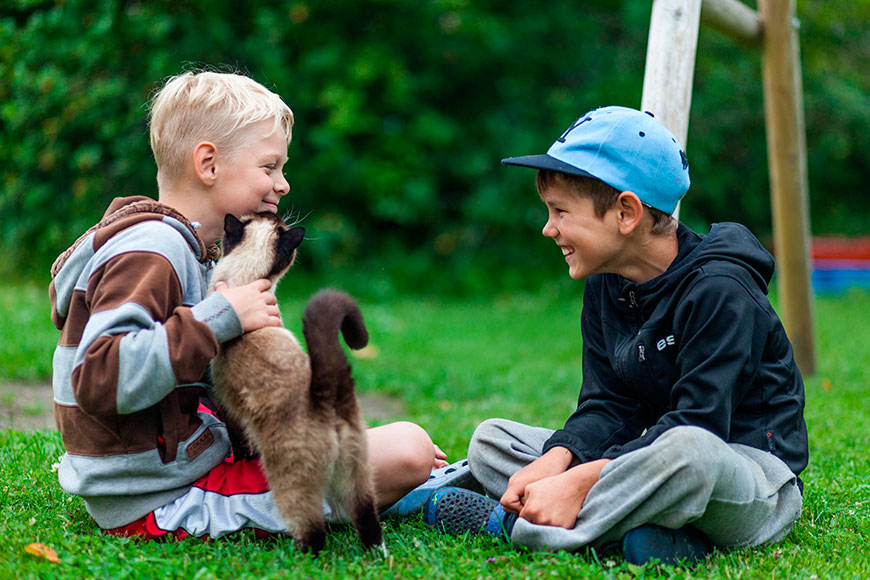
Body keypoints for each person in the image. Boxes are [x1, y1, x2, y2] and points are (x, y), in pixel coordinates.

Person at [49, 69, 460, 540]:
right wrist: (221, 319)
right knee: (407, 450)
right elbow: (99, 376)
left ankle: (392, 479)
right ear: (208, 164)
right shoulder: (153, 251)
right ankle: (408, 488)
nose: (282, 184)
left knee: (394, 448)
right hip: (160, 498)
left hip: (181, 464)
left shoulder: (186, 250)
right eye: (269, 167)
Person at [424, 106, 808, 566]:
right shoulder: (607, 282)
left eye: (560, 211)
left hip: (745, 476)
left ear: (626, 212)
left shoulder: (721, 290)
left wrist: (581, 480)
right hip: (641, 463)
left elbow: (699, 424)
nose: (549, 228)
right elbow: (607, 405)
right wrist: (560, 458)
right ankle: (646, 538)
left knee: (688, 451)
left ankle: (514, 526)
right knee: (493, 441)